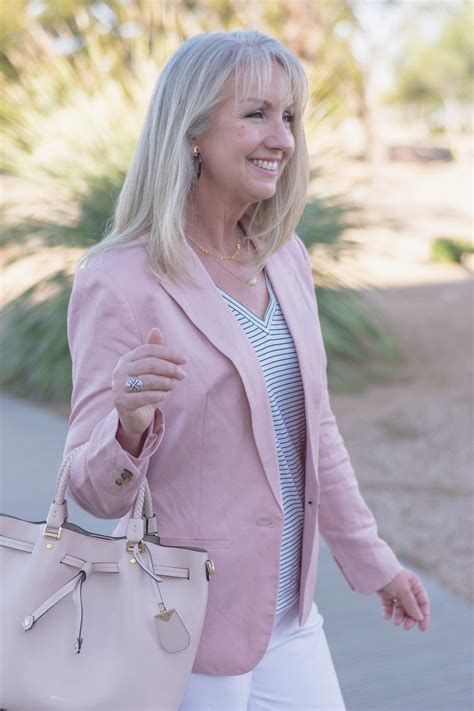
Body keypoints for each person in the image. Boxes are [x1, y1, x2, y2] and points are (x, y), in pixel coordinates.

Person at [64, 29, 431, 711]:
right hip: (182, 624)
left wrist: (373, 562)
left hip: (288, 613)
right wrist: (128, 423)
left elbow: (315, 430)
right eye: (257, 113)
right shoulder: (119, 280)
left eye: (289, 117)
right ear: (194, 131)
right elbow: (91, 491)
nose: (283, 138)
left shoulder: (284, 256)